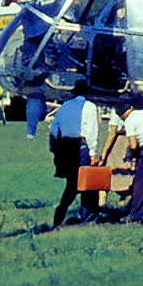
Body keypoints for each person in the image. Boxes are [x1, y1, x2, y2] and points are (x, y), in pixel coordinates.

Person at [49, 81, 100, 227]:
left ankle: (60, 214)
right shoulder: (89, 107)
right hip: (80, 145)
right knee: (87, 183)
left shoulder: (64, 106)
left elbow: (53, 129)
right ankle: (88, 218)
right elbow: (91, 131)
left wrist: (56, 148)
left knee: (71, 184)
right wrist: (94, 152)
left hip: (65, 147)